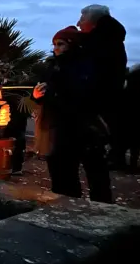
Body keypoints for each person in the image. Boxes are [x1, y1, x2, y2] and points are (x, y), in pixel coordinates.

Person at [33, 26, 112, 203]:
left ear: (72, 44)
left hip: (81, 126)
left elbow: (85, 94)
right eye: (54, 44)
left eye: (60, 44)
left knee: (95, 174)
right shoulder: (53, 65)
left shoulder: (86, 66)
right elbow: (45, 90)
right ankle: (65, 207)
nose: (56, 48)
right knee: (61, 173)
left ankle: (100, 213)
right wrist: (37, 96)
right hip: (56, 125)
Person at [77, 4, 127, 170]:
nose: (78, 23)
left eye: (82, 18)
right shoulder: (110, 40)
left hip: (99, 102)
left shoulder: (100, 43)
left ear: (94, 21)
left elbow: (93, 74)